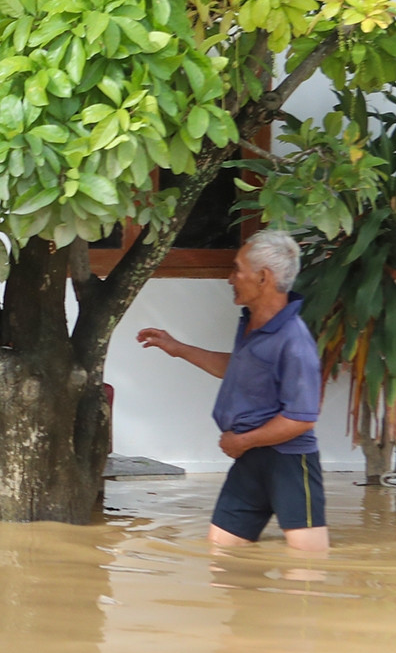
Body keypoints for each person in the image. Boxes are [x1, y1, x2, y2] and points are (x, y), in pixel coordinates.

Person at [137, 229, 328, 551]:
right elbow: (239, 369)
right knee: (221, 556)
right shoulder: (252, 323)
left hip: (290, 463)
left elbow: (301, 419)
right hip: (250, 459)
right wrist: (177, 348)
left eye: (237, 269)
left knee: (307, 567)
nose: (230, 278)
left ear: (263, 278)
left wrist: (242, 440)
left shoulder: (295, 341)